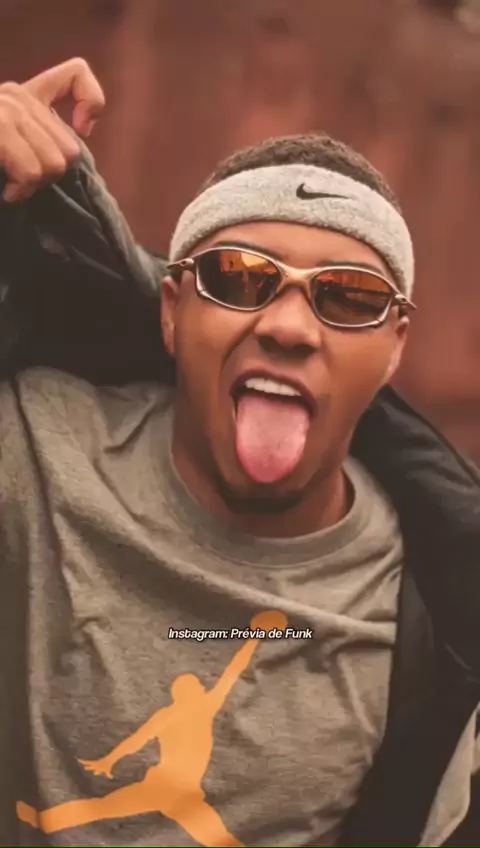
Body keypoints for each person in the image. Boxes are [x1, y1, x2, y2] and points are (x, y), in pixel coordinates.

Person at [0, 61, 480, 848]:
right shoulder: (29, 450)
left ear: (395, 346)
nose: (289, 327)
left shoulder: (437, 610)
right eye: (239, 279)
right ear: (171, 310)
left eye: (348, 295)